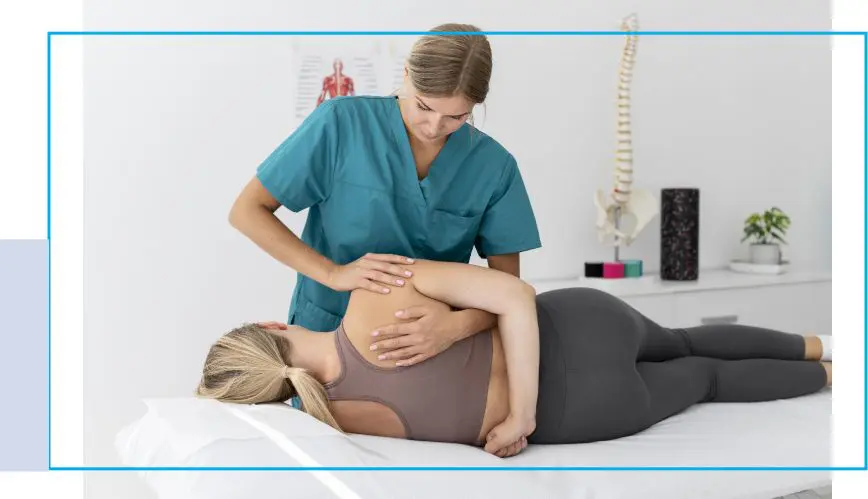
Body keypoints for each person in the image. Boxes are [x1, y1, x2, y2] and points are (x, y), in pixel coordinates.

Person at [196, 259, 833, 458]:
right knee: (693, 341)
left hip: (582, 413)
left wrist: (520, 417)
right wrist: (456, 329)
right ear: (270, 324)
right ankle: (831, 352)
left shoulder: (342, 423)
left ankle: (832, 375)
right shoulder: (374, 289)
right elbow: (514, 296)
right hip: (579, 327)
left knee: (709, 379)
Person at [228, 23, 541, 371]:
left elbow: (510, 290)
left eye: (455, 116)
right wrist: (332, 273)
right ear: (406, 74)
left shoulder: (494, 166)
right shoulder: (341, 124)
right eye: (423, 106)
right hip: (328, 336)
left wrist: (454, 327)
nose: (434, 127)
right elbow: (247, 211)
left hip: (428, 352)